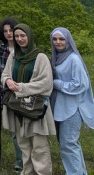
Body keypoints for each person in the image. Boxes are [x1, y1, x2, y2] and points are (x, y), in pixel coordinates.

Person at [1, 24, 55, 175]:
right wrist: (7, 81)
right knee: (23, 144)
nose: (19, 39)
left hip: (34, 108)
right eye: (17, 36)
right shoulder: (13, 56)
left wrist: (21, 88)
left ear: (29, 36)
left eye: (23, 36)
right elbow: (5, 74)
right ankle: (27, 172)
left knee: (39, 146)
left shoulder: (40, 57)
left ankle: (42, 172)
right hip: (18, 107)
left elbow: (46, 83)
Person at [50, 27, 94, 175]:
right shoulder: (56, 57)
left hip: (72, 108)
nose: (58, 42)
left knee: (68, 144)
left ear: (68, 40)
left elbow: (81, 84)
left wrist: (57, 84)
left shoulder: (73, 59)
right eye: (55, 39)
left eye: (61, 39)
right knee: (70, 144)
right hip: (61, 107)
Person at [0, 16, 23, 172]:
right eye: (5, 31)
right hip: (7, 96)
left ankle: (30, 160)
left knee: (26, 131)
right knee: (14, 131)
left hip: (25, 95)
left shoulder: (26, 50)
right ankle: (20, 161)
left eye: (11, 30)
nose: (8, 34)